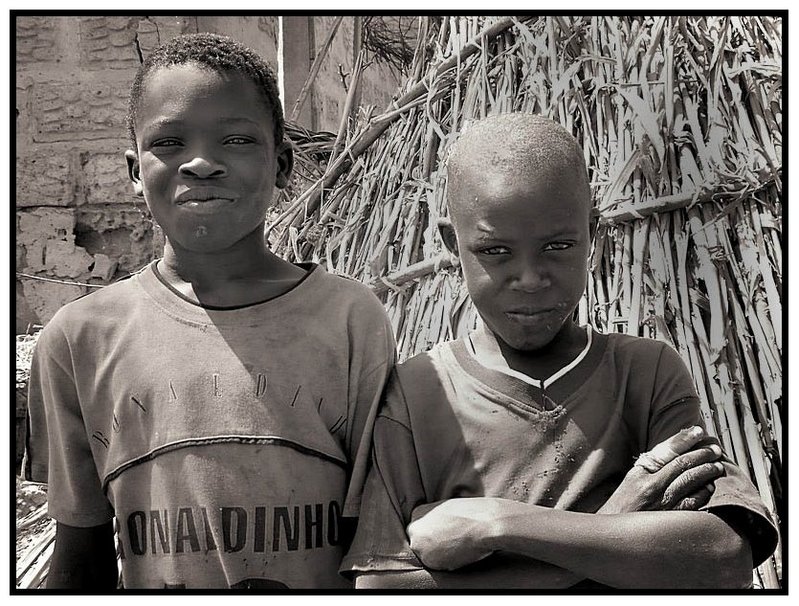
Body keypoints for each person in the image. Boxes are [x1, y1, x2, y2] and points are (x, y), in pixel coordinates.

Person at [21, 33, 395, 590]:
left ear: (282, 164)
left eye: (237, 140)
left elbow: (375, 546)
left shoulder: (349, 320)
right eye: (169, 142)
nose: (200, 163)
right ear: (134, 171)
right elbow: (81, 557)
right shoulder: (78, 340)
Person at [341, 113, 778, 589]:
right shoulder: (418, 395)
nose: (530, 279)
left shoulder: (644, 374)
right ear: (452, 243)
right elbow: (381, 585)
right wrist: (615, 521)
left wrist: (499, 524)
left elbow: (722, 554)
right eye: (494, 251)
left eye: (558, 245)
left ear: (591, 231)